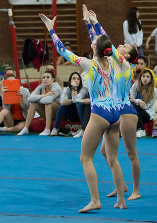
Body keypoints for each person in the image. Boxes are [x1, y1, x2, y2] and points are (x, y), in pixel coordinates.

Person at [39, 12, 127, 212]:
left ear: (94, 48)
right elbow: (105, 42)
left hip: (100, 112)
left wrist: (51, 30)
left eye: (93, 41)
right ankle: (122, 201)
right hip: (115, 113)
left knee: (85, 158)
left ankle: (95, 200)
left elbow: (63, 52)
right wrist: (94, 23)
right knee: (113, 159)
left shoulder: (88, 64)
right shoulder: (114, 61)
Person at [82, 5, 141, 201]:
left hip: (125, 110)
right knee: (104, 151)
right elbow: (97, 43)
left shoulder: (124, 66)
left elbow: (105, 42)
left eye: (124, 46)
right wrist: (89, 24)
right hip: (113, 110)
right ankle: (121, 184)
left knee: (131, 153)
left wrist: (96, 22)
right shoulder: (111, 63)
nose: (119, 46)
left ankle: (136, 190)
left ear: (128, 55)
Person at [18, 70, 62, 136]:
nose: (45, 79)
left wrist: (37, 98)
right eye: (44, 77)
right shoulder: (41, 87)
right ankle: (26, 128)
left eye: (47, 77)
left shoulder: (56, 88)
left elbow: (47, 101)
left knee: (48, 103)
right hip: (47, 113)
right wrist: (44, 95)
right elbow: (30, 98)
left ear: (52, 79)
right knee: (33, 104)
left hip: (58, 113)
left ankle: (47, 129)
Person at [50, 72, 88, 137]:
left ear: (80, 81)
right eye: (74, 78)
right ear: (70, 81)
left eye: (78, 79)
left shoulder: (84, 89)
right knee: (62, 106)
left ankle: (83, 128)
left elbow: (77, 99)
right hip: (71, 114)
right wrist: (73, 100)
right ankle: (55, 128)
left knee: (79, 104)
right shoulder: (67, 89)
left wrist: (74, 88)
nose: (76, 80)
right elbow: (62, 102)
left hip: (82, 114)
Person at [130, 69, 157, 137]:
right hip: (135, 110)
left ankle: (141, 129)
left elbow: (147, 106)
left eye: (148, 77)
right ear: (140, 77)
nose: (145, 79)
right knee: (132, 106)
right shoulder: (135, 85)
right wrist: (138, 101)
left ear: (151, 79)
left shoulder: (155, 91)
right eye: (143, 76)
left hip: (147, 113)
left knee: (135, 107)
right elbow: (130, 99)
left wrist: (139, 103)